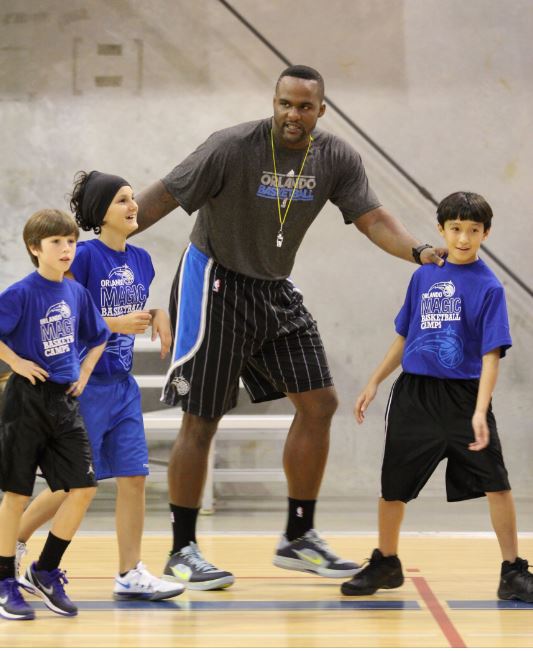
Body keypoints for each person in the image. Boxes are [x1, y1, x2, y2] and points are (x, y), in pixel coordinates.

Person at [132, 64, 445, 591]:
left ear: (321, 110)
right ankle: (182, 551)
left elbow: (371, 218)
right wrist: (99, 246)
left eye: (304, 106)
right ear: (273, 103)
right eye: (285, 103)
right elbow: (160, 198)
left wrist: (418, 251)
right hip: (214, 282)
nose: (292, 114)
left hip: (273, 287)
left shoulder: (336, 157)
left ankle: (298, 538)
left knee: (319, 403)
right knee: (202, 417)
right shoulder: (230, 147)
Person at [341, 191, 533, 602]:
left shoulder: (490, 287)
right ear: (441, 229)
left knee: (497, 484)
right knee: (393, 486)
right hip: (414, 396)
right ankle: (386, 562)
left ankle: (513, 572)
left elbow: (491, 356)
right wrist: (374, 381)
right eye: (456, 228)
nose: (463, 238)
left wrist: (480, 411)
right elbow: (404, 335)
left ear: (486, 233)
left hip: (464, 399)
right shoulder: (423, 276)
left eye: (473, 230)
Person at [16, 172, 185, 601]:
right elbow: (61, 316)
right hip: (83, 386)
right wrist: (114, 324)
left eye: (132, 198)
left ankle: (130, 573)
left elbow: (134, 311)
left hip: (122, 385)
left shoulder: (142, 260)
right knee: (70, 484)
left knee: (134, 477)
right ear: (99, 212)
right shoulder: (84, 256)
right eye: (121, 200)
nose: (133, 205)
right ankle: (10, 544)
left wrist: (158, 313)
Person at [0, 209, 109, 620]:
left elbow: (98, 336)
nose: (66, 249)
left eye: (71, 241)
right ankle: (4, 581)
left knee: (82, 487)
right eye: (56, 242)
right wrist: (15, 361)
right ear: (35, 248)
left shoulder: (76, 292)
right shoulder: (20, 293)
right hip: (25, 401)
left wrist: (85, 371)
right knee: (16, 494)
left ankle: (44, 571)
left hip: (64, 402)